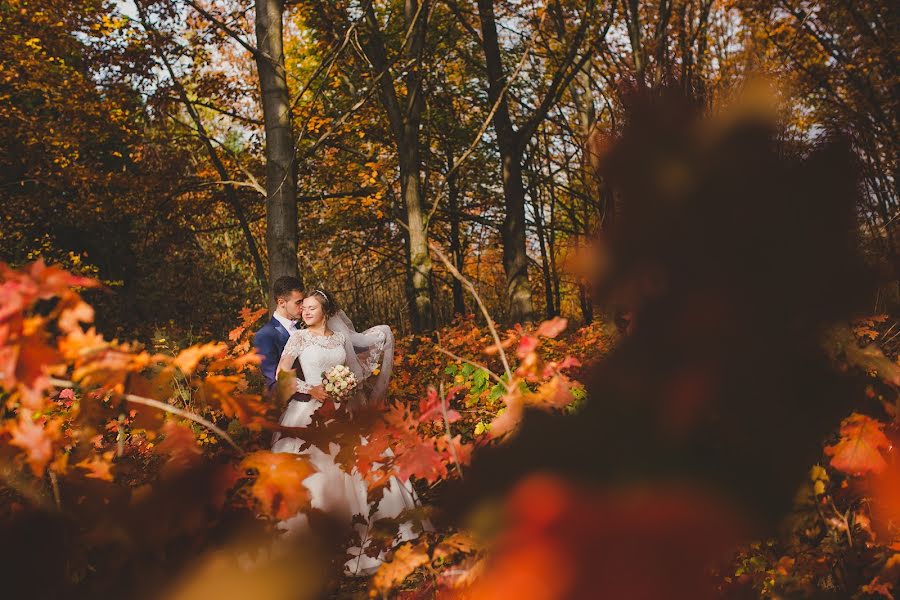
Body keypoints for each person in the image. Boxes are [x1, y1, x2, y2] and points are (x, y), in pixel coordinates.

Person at [272, 288, 420, 575]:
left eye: (312, 308)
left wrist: (348, 386)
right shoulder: (299, 337)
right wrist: (308, 388)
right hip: (310, 411)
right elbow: (282, 374)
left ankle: (374, 534)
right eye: (304, 308)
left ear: (326, 311)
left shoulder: (340, 339)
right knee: (316, 472)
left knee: (359, 468)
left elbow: (355, 371)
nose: (306, 312)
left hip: (344, 410)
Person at [253, 276, 304, 389]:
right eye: (298, 302)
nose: (302, 307)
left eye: (303, 301)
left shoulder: (304, 326)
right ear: (281, 303)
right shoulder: (265, 336)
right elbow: (273, 383)